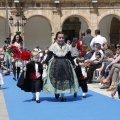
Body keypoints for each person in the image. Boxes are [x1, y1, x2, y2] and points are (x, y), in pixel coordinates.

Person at [43, 31, 79, 102]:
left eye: (62, 37)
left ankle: (62, 96)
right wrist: (45, 63)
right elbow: (49, 56)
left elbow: (69, 56)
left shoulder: (67, 46)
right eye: (59, 37)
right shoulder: (53, 46)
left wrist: (73, 64)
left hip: (65, 64)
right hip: (55, 64)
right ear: (56, 38)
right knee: (56, 78)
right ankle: (56, 92)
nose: (61, 39)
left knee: (65, 79)